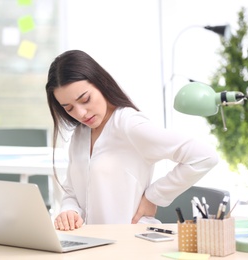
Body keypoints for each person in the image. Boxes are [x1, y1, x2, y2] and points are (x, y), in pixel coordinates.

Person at [45, 50, 219, 231]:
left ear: (101, 83)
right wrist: (70, 211)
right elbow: (72, 191)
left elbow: (204, 157)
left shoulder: (128, 124)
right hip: (95, 243)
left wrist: (154, 196)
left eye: (85, 99)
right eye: (69, 108)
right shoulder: (80, 134)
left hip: (133, 239)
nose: (80, 113)